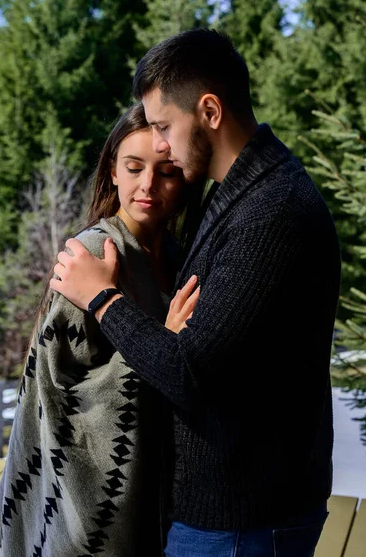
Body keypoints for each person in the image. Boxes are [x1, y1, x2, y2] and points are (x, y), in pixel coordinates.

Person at [50, 29, 342, 557]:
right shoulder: (238, 192)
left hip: (242, 521)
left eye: (164, 125)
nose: (158, 142)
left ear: (209, 111)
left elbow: (192, 375)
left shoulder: (271, 213)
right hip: (234, 513)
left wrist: (102, 298)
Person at [0, 102, 202, 557]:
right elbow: (60, 392)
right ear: (113, 172)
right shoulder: (93, 253)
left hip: (159, 492)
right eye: (134, 167)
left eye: (166, 172)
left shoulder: (178, 255)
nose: (147, 185)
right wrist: (164, 344)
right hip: (82, 509)